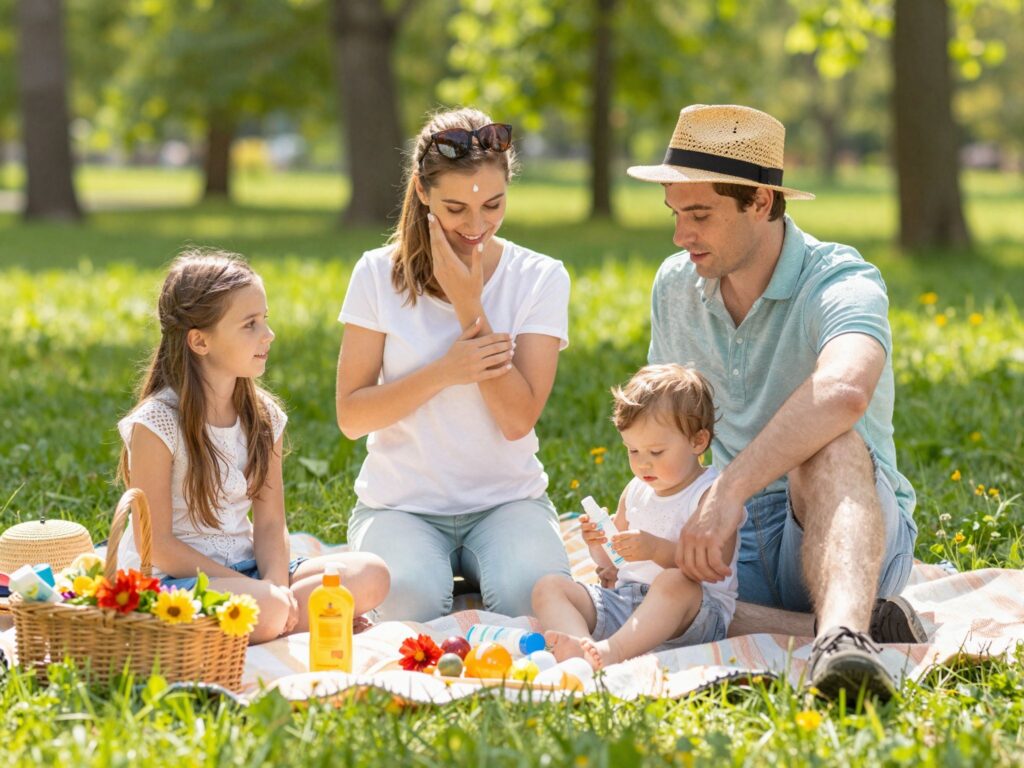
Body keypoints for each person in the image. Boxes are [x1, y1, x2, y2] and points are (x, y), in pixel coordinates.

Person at [626, 104, 925, 700]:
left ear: (761, 202)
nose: (681, 235)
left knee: (831, 445)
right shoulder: (675, 284)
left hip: (832, 521)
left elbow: (844, 391)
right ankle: (839, 627)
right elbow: (661, 420)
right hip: (726, 548)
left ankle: (842, 640)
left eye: (700, 215)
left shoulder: (840, 280)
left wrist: (728, 491)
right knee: (634, 600)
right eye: (676, 214)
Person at [335, 107, 571, 622]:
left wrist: (469, 307)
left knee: (534, 598)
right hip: (401, 506)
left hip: (507, 502)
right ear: (422, 192)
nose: (476, 225)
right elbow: (351, 417)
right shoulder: (376, 274)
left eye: (493, 205)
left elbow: (517, 420)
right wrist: (445, 371)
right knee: (407, 603)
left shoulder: (541, 277)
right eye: (456, 208)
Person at [117, 250, 389, 644]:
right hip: (176, 582)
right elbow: (157, 545)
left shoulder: (263, 417)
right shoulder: (157, 423)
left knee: (371, 574)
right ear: (199, 341)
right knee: (271, 607)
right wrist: (259, 593)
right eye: (250, 324)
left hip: (248, 571)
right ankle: (284, 617)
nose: (268, 334)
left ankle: (273, 617)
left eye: (265, 319)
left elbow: (270, 524)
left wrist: (275, 584)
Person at [533, 364, 739, 669]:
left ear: (698, 442)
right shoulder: (636, 490)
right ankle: (583, 650)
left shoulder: (711, 494)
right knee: (549, 587)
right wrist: (599, 543)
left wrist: (655, 549)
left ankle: (611, 653)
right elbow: (613, 561)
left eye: (656, 452)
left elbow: (714, 565)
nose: (643, 464)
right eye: (633, 451)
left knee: (674, 582)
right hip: (627, 602)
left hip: (693, 614)